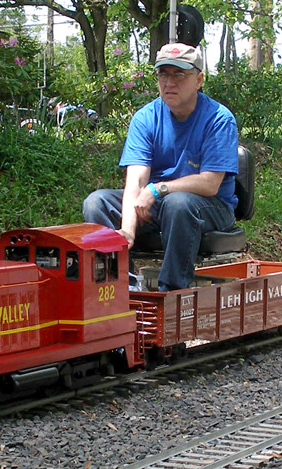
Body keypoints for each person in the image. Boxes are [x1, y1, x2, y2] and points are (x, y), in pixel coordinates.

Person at [83, 42, 239, 291]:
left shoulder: (219, 119)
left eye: (179, 74)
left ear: (198, 80)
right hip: (160, 206)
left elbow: (210, 183)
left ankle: (172, 292)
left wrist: (158, 189)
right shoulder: (146, 118)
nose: (169, 82)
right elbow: (135, 181)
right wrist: (127, 230)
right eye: (163, 74)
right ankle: (122, 288)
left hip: (211, 206)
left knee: (179, 203)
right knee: (97, 203)